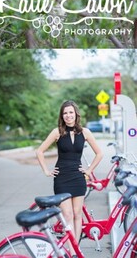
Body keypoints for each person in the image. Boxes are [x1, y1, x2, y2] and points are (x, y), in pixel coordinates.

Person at [35, 100, 103, 240]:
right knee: (67, 215)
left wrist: (89, 171)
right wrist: (46, 171)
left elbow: (100, 154)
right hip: (62, 178)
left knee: (78, 214)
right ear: (62, 116)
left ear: (76, 114)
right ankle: (71, 251)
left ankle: (75, 250)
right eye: (65, 113)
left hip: (78, 178)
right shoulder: (57, 132)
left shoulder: (85, 132)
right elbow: (40, 151)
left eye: (70, 112)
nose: (68, 115)